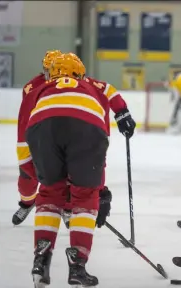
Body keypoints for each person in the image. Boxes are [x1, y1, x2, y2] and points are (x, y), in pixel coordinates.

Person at [18, 53, 111, 288]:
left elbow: (26, 129)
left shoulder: (39, 87)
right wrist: (98, 188)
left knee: (49, 193)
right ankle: (78, 265)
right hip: (86, 126)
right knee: (84, 196)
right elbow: (99, 131)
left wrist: (31, 171)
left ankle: (41, 258)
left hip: (41, 127)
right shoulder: (89, 87)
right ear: (79, 74)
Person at [58, 53, 136, 228]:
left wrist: (123, 113)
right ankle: (75, 205)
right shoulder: (83, 85)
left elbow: (111, 92)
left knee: (85, 169)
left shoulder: (87, 85)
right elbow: (111, 92)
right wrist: (122, 114)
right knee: (82, 170)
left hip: (88, 136)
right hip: (88, 136)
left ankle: (91, 200)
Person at [13, 50, 62, 226]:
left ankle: (66, 208)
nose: (51, 74)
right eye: (48, 69)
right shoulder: (31, 87)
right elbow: (25, 118)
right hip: (35, 136)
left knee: (64, 175)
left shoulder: (69, 84)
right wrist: (24, 144)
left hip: (58, 137)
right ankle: (27, 202)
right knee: (27, 178)